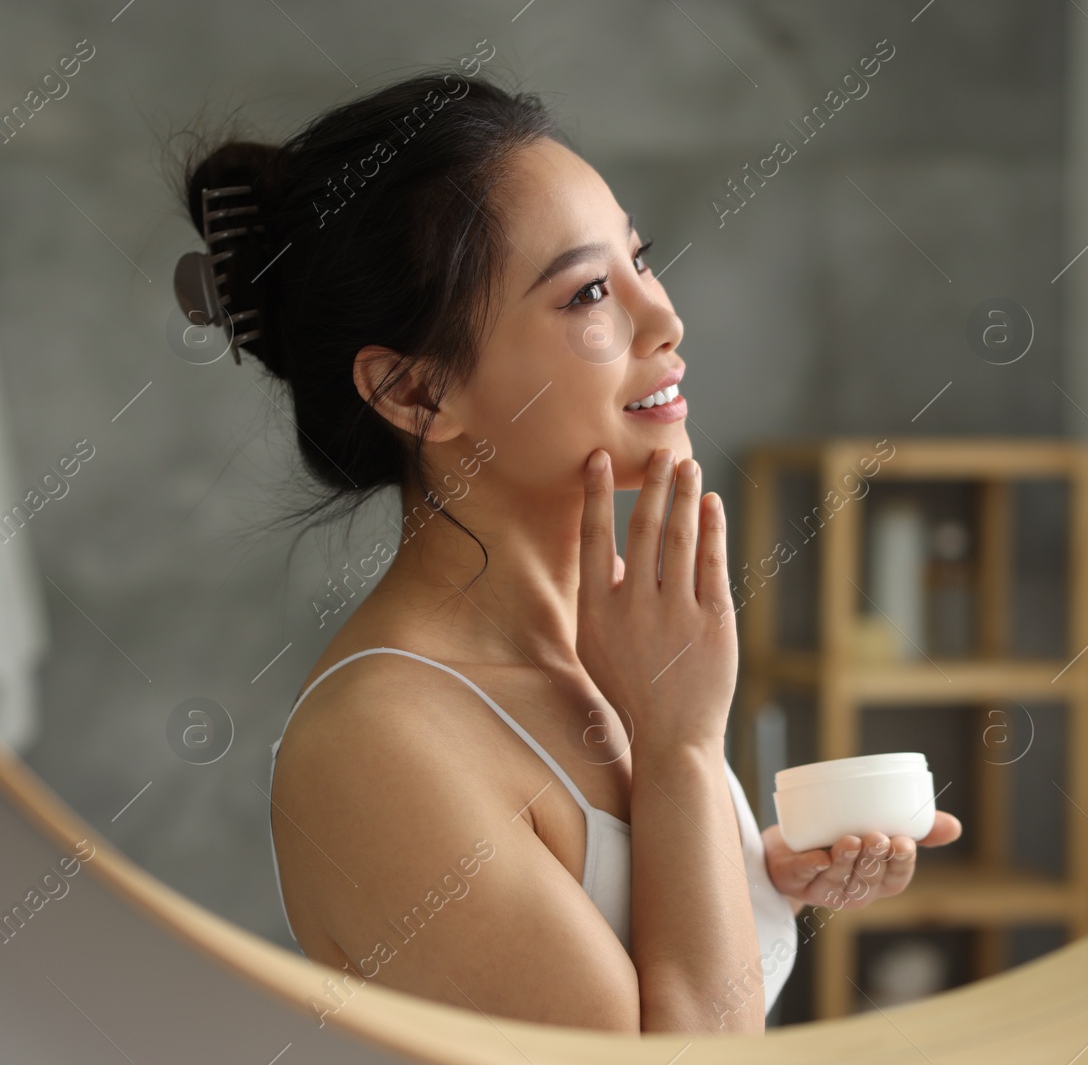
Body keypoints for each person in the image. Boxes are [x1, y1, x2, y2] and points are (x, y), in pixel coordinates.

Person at [174, 68, 960, 1033]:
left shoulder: (624, 644)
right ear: (417, 394)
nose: (665, 319)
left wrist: (767, 881)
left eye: (642, 260)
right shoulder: (375, 746)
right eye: (589, 291)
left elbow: (672, 972)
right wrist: (677, 749)